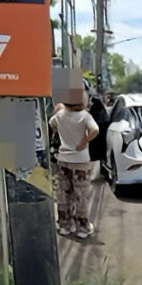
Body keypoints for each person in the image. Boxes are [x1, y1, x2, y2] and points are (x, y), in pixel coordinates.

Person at [49, 100, 99, 239]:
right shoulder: (85, 116)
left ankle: (65, 225)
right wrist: (83, 142)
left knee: (64, 192)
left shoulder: (59, 116)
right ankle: (82, 228)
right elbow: (95, 130)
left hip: (64, 158)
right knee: (80, 194)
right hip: (81, 161)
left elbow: (51, 125)